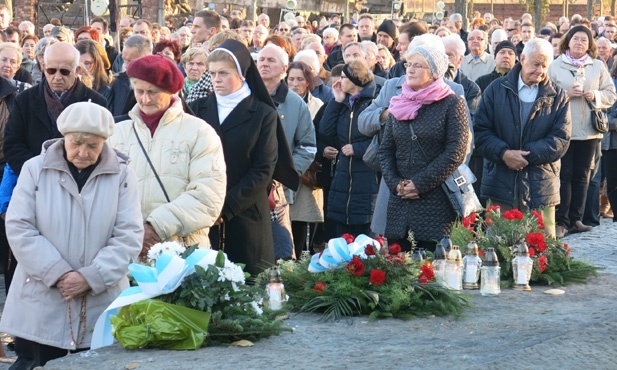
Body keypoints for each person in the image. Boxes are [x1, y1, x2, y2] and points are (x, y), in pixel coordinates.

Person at [0, 102, 143, 369]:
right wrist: (59, 273)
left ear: (104, 143)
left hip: (101, 303)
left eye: (93, 146)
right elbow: (20, 227)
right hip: (41, 301)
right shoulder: (35, 169)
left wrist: (91, 277)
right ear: (64, 137)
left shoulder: (123, 174)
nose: (83, 152)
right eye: (76, 143)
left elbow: (129, 234)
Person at [189, 39, 298, 274]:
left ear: (242, 73)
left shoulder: (263, 114)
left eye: (224, 73)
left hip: (247, 214)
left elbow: (263, 169)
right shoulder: (198, 109)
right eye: (213, 73)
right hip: (204, 213)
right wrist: (208, 206)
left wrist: (225, 208)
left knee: (248, 293)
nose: (217, 79)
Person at [109, 54, 226, 258]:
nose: (145, 99)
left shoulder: (199, 132)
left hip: (183, 253)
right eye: (139, 91)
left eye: (153, 92)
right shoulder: (116, 133)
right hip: (127, 252)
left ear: (172, 92)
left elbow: (208, 197)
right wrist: (131, 232)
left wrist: (154, 227)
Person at [475, 38, 572, 238]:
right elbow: (480, 132)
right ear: (522, 58)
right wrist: (504, 153)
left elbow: (561, 140)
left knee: (541, 255)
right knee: (498, 250)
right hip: (500, 184)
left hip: (541, 187)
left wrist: (525, 156)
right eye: (536, 64)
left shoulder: (558, 96)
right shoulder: (495, 90)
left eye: (545, 66)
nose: (540, 70)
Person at [548, 25, 616, 237]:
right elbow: (545, 93)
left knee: (583, 176)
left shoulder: (597, 66)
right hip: (563, 130)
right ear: (568, 41)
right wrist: (566, 95)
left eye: (584, 40)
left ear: (590, 44)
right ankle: (562, 221)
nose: (580, 43)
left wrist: (594, 95)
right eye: (576, 39)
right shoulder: (555, 66)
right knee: (564, 176)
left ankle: (577, 219)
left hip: (589, 131)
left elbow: (610, 93)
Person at [4, 42, 107, 176]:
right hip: (35, 180)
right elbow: (13, 144)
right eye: (51, 70)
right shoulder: (24, 100)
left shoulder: (96, 103)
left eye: (64, 71)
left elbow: (100, 148)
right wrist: (38, 171)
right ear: (44, 67)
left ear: (77, 71)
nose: (57, 77)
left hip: (78, 181)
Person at [257, 44, 316, 259]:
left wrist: (285, 174)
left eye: (271, 60)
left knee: (279, 253)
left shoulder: (295, 104)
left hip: (277, 193)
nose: (264, 64)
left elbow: (308, 147)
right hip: (244, 188)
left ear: (284, 69)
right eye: (261, 59)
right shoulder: (243, 98)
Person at [320, 59, 378, 236]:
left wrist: (358, 148)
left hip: (367, 177)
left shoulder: (373, 102)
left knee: (365, 238)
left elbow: (383, 139)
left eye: (344, 77)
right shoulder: (344, 103)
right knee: (343, 237)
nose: (338, 82)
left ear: (355, 79)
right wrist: (336, 101)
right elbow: (326, 130)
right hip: (343, 175)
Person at [286, 61, 326, 257]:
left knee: (301, 220)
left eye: (300, 79)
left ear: (308, 82)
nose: (295, 83)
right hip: (284, 169)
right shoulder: (279, 102)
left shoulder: (317, 106)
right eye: (291, 79)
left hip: (305, 172)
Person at [110, 35, 151, 117]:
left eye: (130, 61)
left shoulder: (154, 85)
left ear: (146, 58)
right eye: (124, 59)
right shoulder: (119, 81)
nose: (126, 65)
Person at [75, 40, 112, 105]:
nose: (82, 68)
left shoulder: (106, 92)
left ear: (96, 64)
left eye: (87, 63)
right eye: (78, 63)